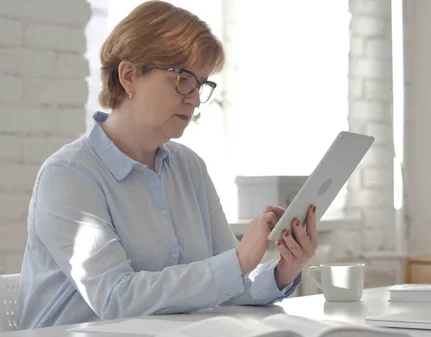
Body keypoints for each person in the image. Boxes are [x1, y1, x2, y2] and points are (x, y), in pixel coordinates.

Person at [17, 1, 318, 329]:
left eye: (201, 84)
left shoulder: (190, 167)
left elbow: (230, 285)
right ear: (129, 76)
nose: (193, 98)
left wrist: (282, 270)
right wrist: (236, 262)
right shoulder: (68, 176)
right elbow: (116, 298)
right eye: (183, 79)